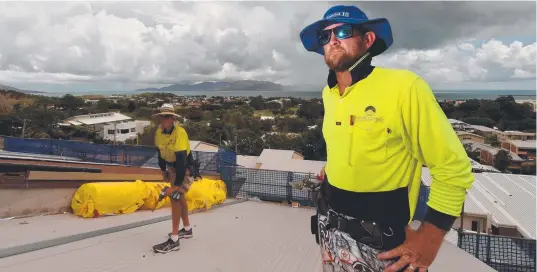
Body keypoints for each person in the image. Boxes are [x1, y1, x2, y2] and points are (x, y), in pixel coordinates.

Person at [300, 5, 475, 272]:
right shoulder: (330, 93)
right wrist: (334, 169)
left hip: (384, 246)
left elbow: (453, 168)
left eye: (343, 31)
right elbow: (351, 143)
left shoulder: (404, 87)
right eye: (325, 36)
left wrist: (428, 241)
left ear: (368, 40)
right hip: (330, 229)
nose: (332, 40)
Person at [152, 103, 195, 253]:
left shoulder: (180, 133)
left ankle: (174, 239)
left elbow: (182, 161)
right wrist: (163, 170)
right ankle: (188, 230)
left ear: (172, 118)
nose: (163, 119)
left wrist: (175, 185)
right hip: (172, 168)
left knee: (175, 196)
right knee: (180, 198)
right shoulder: (159, 133)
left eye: (166, 117)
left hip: (184, 169)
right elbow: (160, 153)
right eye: (161, 116)